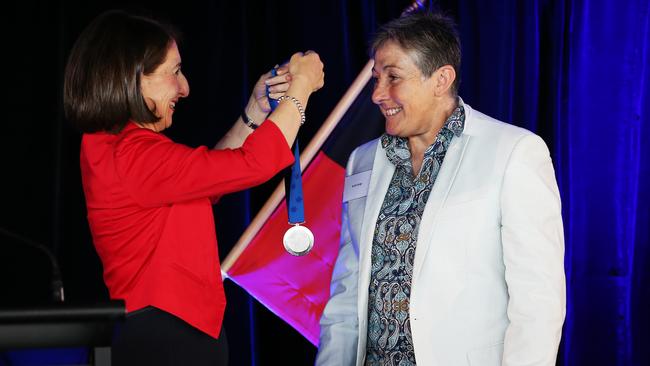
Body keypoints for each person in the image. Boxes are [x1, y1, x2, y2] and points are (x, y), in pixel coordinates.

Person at [63, 10, 324, 366]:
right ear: (134, 77)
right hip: (167, 338)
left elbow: (209, 179)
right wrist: (301, 90)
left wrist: (255, 112)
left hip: (165, 334)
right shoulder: (132, 153)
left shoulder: (116, 147)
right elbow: (254, 163)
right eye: (174, 72)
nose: (184, 88)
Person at [316, 12, 565, 366]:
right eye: (376, 79)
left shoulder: (513, 151)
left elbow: (538, 301)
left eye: (393, 78)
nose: (377, 95)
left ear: (441, 79)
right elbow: (346, 291)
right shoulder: (363, 161)